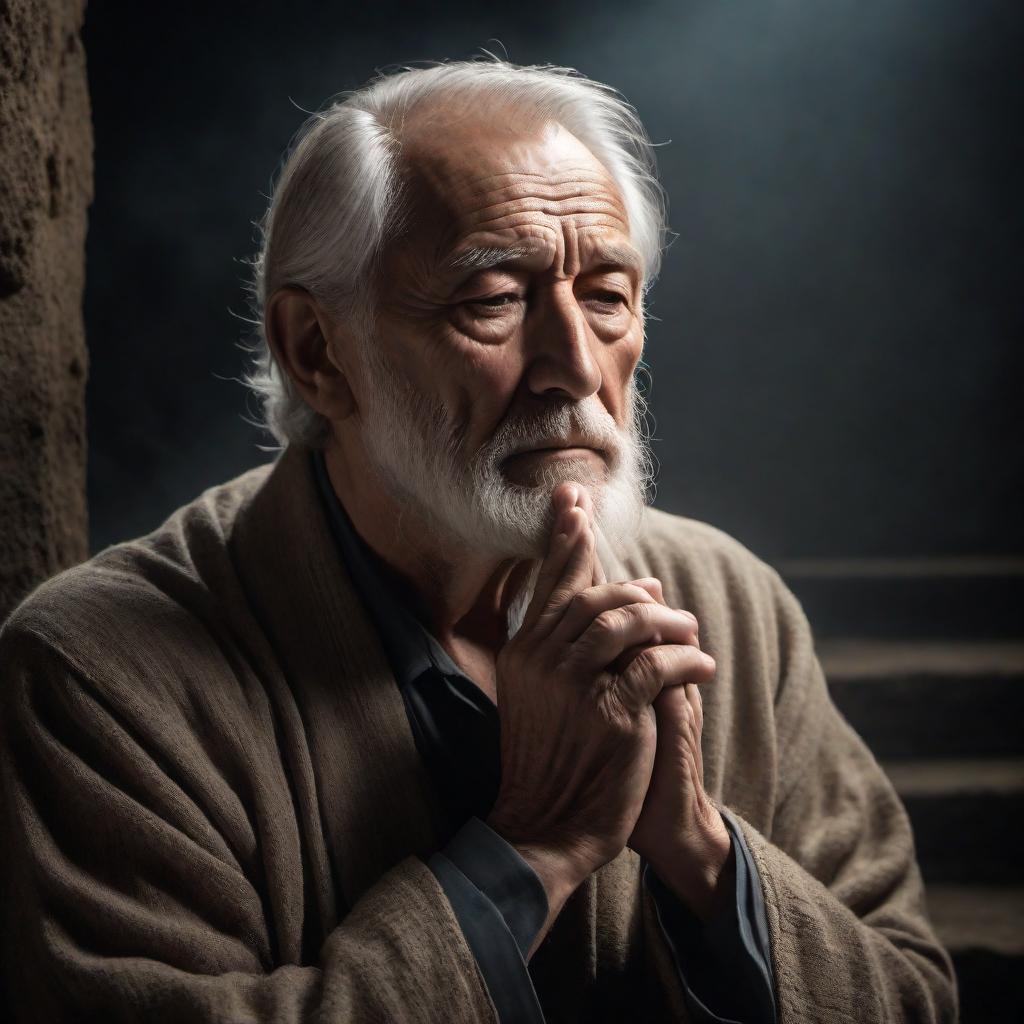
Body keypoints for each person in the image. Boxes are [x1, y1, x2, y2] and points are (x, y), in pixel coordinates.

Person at [0, 59, 956, 1023]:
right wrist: (533, 847)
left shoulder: (731, 605)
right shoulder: (95, 677)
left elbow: (915, 999)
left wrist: (706, 857)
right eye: (493, 300)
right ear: (318, 353)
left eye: (608, 295)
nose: (574, 368)